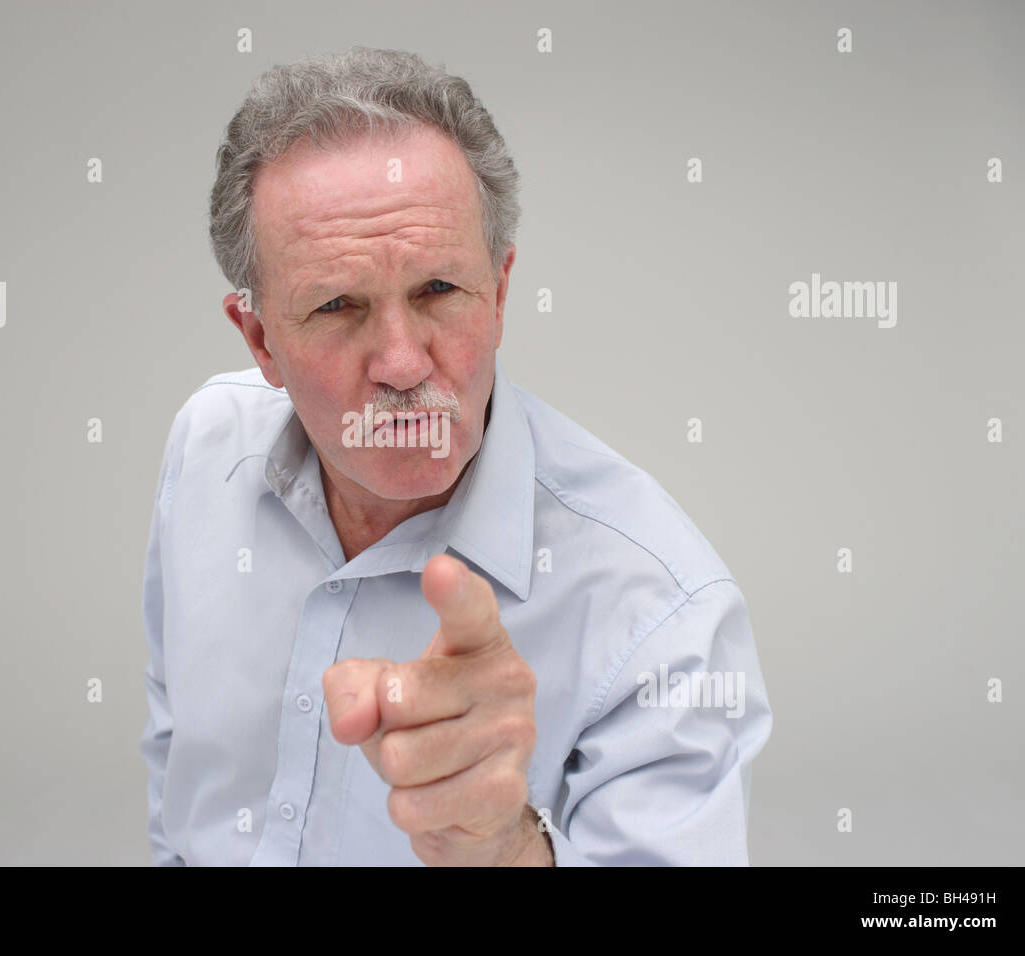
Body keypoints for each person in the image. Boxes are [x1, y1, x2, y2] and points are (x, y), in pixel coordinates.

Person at [140, 46, 772, 866]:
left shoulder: (662, 614)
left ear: (501, 293)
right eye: (337, 306)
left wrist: (506, 850)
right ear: (260, 339)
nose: (402, 364)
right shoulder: (206, 450)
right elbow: (181, 787)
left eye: (439, 291)